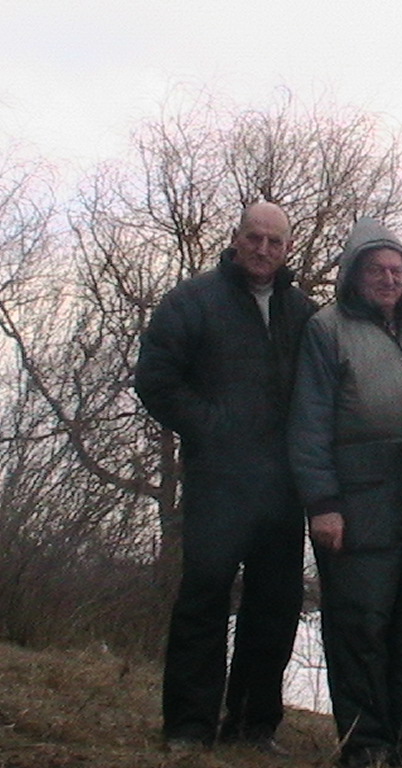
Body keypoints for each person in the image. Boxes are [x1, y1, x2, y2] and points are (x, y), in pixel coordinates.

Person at [135, 202, 317, 753]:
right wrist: (213, 427)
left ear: (288, 249)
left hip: (282, 489)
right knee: (204, 600)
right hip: (216, 481)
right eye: (254, 237)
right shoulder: (192, 301)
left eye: (274, 241)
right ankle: (188, 727)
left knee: (275, 607)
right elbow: (155, 380)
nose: (263, 249)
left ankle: (252, 725)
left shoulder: (304, 314)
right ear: (236, 238)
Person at [288, 218, 402, 768]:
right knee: (359, 627)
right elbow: (309, 421)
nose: (388, 279)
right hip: (356, 504)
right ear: (353, 275)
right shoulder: (327, 330)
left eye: (397, 271)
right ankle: (365, 746)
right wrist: (323, 503)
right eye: (376, 270)